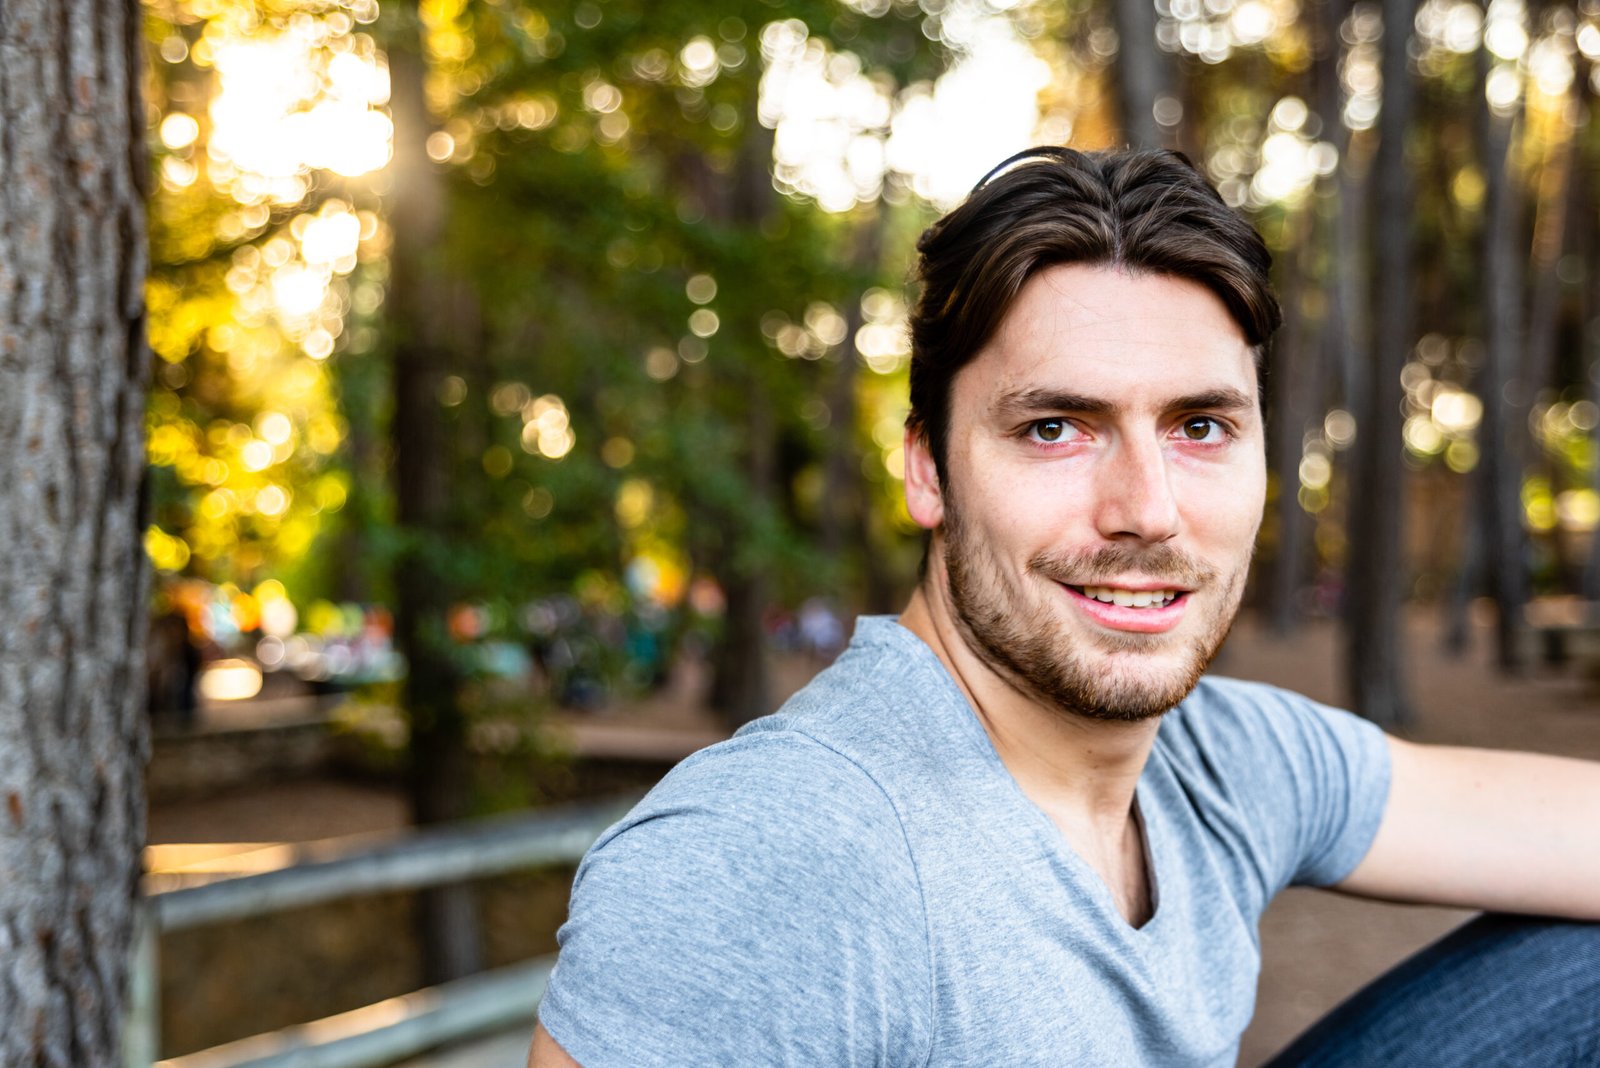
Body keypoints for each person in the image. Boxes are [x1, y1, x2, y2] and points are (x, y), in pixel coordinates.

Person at [528, 147, 1600, 1067]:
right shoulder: (777, 850)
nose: (1146, 510)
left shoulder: (1221, 763)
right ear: (927, 472)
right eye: (1055, 428)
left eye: (1200, 427)